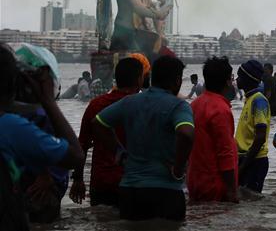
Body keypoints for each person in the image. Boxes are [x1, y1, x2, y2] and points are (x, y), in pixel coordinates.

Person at [93, 54, 194, 221]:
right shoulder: (179, 106)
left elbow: (98, 123)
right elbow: (186, 133)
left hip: (130, 191)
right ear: (177, 81)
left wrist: (119, 152)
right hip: (166, 191)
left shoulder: (129, 102)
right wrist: (178, 168)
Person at [0, 45, 84, 231]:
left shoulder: (18, 120)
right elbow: (76, 154)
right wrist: (48, 102)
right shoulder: (11, 124)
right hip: (37, 193)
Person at [70, 57, 144, 207]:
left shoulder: (96, 105)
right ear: (139, 79)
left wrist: (78, 179)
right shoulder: (143, 107)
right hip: (135, 181)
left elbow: (82, 144)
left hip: (101, 181)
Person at [188, 56, 239, 202]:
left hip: (196, 182)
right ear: (228, 81)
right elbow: (225, 153)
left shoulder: (194, 105)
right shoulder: (221, 109)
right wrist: (231, 191)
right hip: (215, 187)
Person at [234, 59, 270, 193]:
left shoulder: (259, 101)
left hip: (254, 161)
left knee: (250, 200)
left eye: (239, 76)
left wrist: (243, 166)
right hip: (246, 159)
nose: (237, 79)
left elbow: (260, 137)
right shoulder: (249, 99)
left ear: (247, 79)